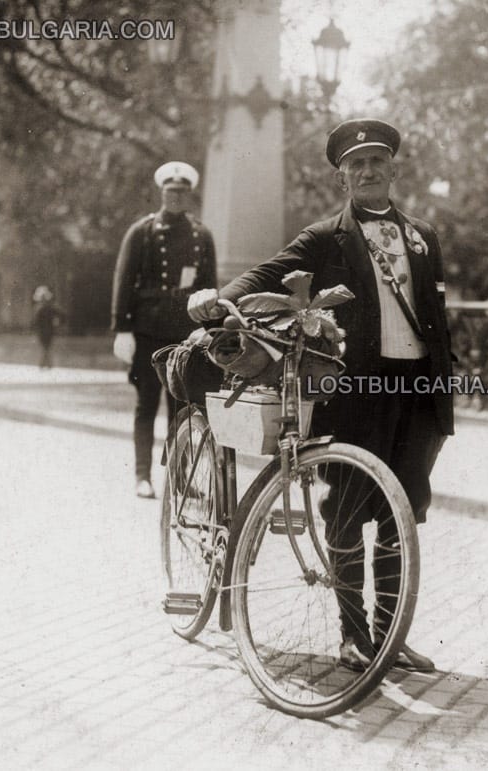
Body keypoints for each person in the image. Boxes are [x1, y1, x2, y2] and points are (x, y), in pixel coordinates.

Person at [187, 119, 452, 673]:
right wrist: (216, 299)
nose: (368, 171)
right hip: (355, 391)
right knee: (349, 510)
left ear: (394, 170)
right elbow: (268, 270)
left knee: (402, 512)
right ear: (343, 179)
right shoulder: (325, 238)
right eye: (356, 165)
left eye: (377, 161)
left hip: (418, 391)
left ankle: (390, 634)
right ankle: (353, 636)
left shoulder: (424, 236)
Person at [111, 161, 218, 499]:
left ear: (190, 194)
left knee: (182, 408)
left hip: (185, 334)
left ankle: (181, 478)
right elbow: (124, 281)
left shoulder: (202, 235)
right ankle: (142, 475)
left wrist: (211, 330)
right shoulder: (142, 232)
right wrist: (121, 329)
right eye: (171, 191)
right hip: (146, 332)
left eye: (182, 192)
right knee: (146, 404)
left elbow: (210, 287)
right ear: (162, 192)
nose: (176, 197)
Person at [31, 285, 63, 369]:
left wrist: (57, 322)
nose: (43, 300)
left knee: (46, 346)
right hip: (43, 330)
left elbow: (60, 315)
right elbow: (35, 321)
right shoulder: (39, 308)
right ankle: (47, 363)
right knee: (46, 346)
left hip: (48, 330)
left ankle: (45, 363)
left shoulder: (50, 308)